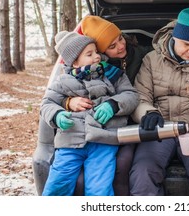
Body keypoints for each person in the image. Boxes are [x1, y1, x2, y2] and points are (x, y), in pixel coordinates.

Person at [129, 4, 189, 196]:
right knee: (142, 174)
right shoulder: (151, 60)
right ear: (174, 37)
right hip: (160, 129)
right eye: (186, 44)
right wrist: (148, 113)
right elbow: (140, 95)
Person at [40, 30, 139, 196]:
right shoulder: (63, 81)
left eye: (96, 51)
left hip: (103, 140)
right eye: (89, 54)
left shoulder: (112, 74)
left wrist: (113, 105)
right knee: (57, 186)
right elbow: (47, 103)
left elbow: (131, 95)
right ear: (75, 62)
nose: (97, 56)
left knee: (99, 189)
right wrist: (57, 115)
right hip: (69, 141)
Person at [64, 15, 152, 196]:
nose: (121, 46)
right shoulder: (96, 68)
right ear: (99, 52)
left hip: (137, 118)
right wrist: (68, 102)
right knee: (117, 164)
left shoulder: (141, 53)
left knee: (124, 162)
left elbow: (161, 53)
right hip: (106, 126)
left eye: (120, 38)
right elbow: (60, 92)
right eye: (112, 46)